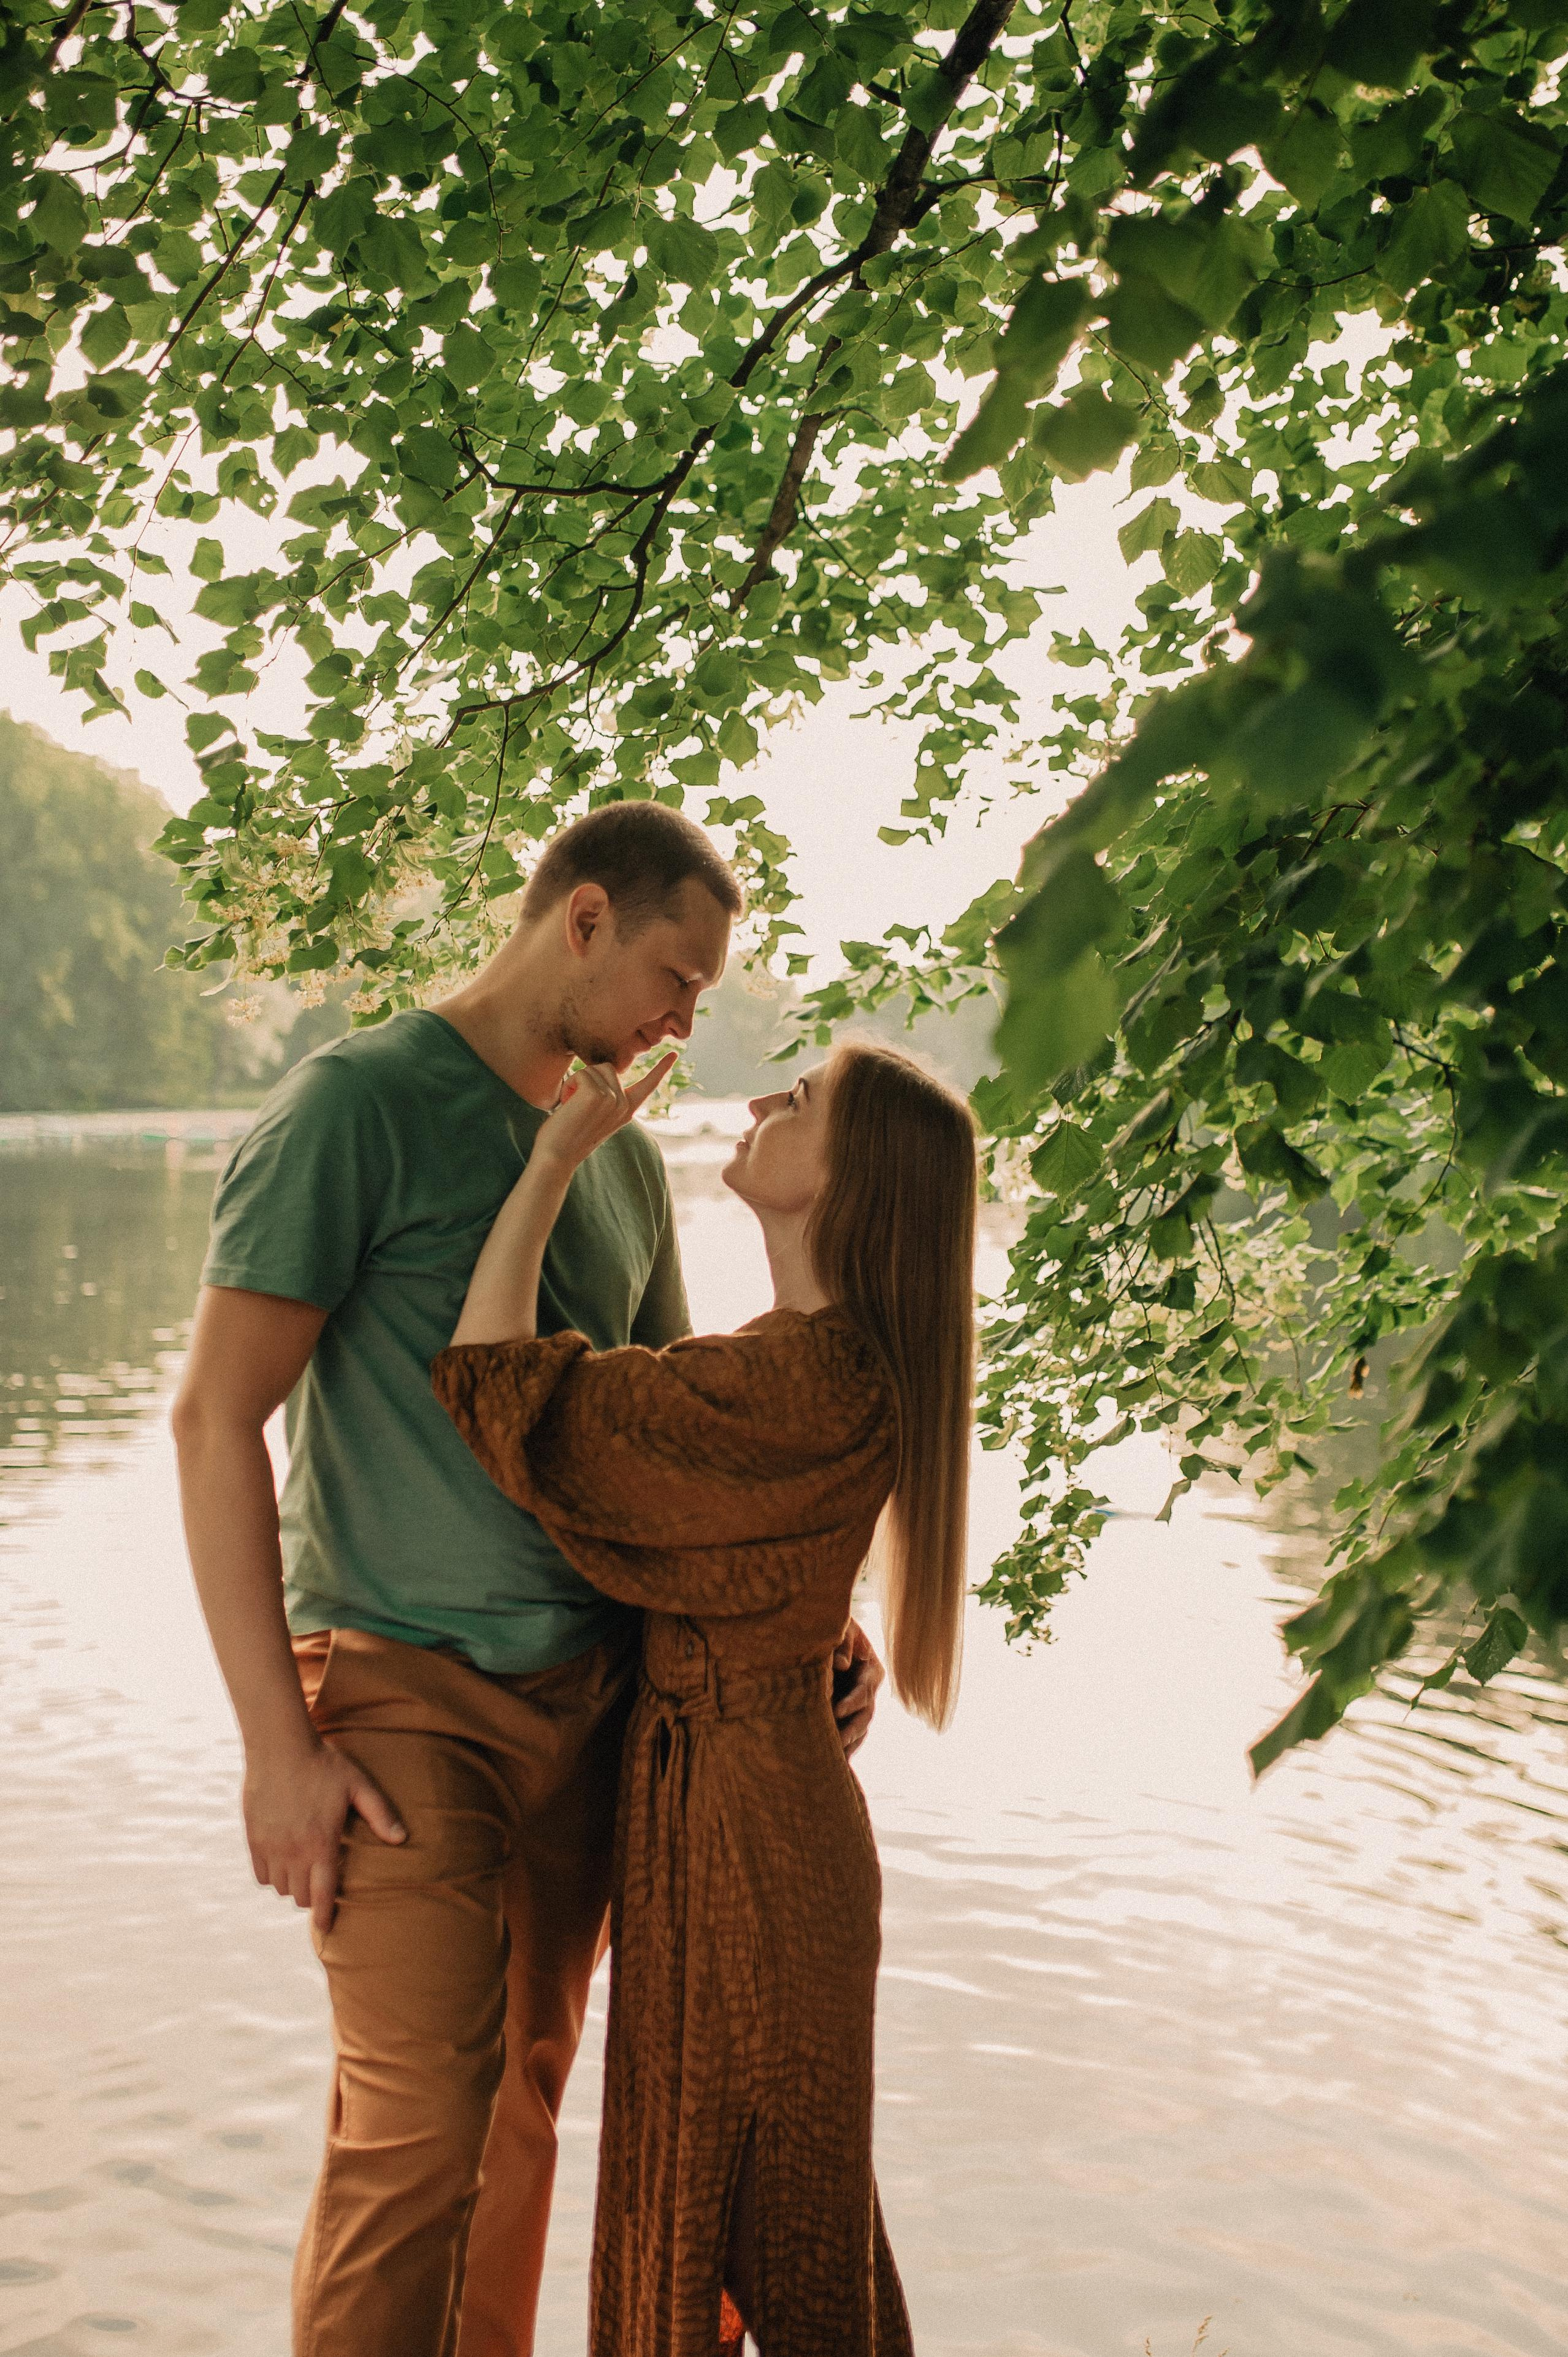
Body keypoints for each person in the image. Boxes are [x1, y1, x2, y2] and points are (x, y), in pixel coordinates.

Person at [170, 800, 887, 2357]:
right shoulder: (355, 1106)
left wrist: (809, 1616)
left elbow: (674, 1444)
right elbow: (214, 1416)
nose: (686, 1018)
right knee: (417, 2122)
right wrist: (273, 1747)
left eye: (702, 995)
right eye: (675, 975)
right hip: (398, 1688)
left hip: (592, 1702)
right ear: (580, 919)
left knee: (521, 2118)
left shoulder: (609, 1164)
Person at [430, 1035, 979, 2356]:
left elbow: (502, 1387)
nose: (759, 1099)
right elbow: (738, 1546)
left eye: (801, 1100)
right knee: (775, 2215)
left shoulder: (792, 1376)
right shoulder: (806, 1366)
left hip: (746, 1831)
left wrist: (559, 1155)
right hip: (747, 1808)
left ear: (850, 1180)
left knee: (755, 2221)